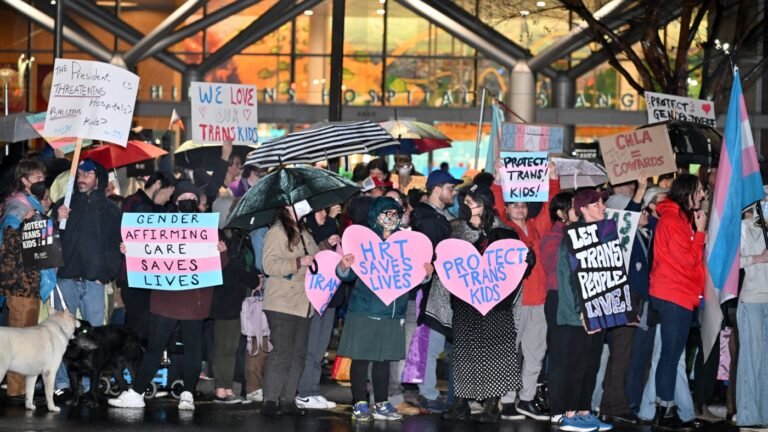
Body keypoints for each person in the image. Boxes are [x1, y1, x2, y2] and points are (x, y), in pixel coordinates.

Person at [109, 181, 225, 410]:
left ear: (198, 202)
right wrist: (131, 251)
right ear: (176, 202)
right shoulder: (162, 226)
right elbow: (147, 254)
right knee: (155, 347)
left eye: (192, 198)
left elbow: (220, 266)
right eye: (183, 198)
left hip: (194, 301)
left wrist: (222, 252)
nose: (187, 201)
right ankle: (138, 393)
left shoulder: (209, 230)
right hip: (166, 299)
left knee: (193, 348)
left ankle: (187, 394)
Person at [336, 197, 434, 422]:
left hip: (393, 312)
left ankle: (381, 402)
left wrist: (425, 274)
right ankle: (359, 402)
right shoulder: (364, 241)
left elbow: (413, 276)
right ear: (375, 215)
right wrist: (343, 266)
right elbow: (348, 275)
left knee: (384, 360)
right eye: (386, 213)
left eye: (395, 213)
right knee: (361, 358)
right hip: (365, 310)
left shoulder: (406, 244)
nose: (391, 218)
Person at [441, 184, 531, 424]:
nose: (466, 205)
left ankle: (492, 405)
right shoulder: (456, 232)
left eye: (471, 202)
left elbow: (515, 269)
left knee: (495, 353)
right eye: (465, 201)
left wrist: (527, 261)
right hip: (465, 303)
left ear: (484, 205)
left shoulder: (504, 233)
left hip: (496, 304)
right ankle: (461, 403)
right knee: (464, 354)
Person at [494, 161, 559, 421]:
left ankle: (527, 399)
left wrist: (553, 178)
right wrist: (498, 180)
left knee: (536, 352)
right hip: (514, 300)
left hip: (539, 300)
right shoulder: (503, 229)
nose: (520, 208)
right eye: (514, 204)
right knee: (510, 351)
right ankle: (507, 400)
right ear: (507, 208)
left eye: (523, 204)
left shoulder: (536, 226)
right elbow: (495, 206)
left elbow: (549, 207)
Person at [54, 158, 123, 401]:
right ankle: (62, 383)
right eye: (80, 174)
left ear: (98, 179)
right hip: (66, 279)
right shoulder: (64, 204)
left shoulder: (111, 210)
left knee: (94, 338)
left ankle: (87, 384)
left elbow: (117, 245)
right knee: (60, 335)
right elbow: (47, 239)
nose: (82, 178)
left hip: (94, 283)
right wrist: (56, 219)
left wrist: (105, 275)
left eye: (88, 174)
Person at [550, 189, 613, 432]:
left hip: (598, 311)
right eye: (596, 204)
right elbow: (572, 278)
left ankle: (584, 411)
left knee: (591, 364)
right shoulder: (574, 235)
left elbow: (609, 274)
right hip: (579, 314)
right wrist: (582, 310)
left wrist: (618, 306)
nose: (602, 207)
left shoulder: (603, 233)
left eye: (602, 203)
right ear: (583, 209)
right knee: (575, 364)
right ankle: (569, 413)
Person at [649, 174, 707, 430]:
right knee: (670, 357)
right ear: (687, 193)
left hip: (677, 293)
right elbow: (688, 260)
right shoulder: (672, 221)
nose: (703, 195)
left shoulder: (678, 219)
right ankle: (664, 411)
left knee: (670, 356)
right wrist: (700, 234)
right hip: (673, 294)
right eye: (699, 190)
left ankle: (666, 409)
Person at [0, 159, 55, 405]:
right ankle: (16, 390)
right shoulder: (17, 208)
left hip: (29, 282)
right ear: (24, 180)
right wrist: (24, 223)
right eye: (37, 178)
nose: (42, 181)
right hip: (20, 283)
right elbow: (9, 244)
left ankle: (20, 388)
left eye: (43, 177)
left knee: (24, 338)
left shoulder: (31, 205)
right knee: (19, 340)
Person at [409, 170, 462, 414]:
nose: (454, 193)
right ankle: (428, 393)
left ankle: (432, 392)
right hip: (432, 288)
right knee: (431, 343)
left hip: (442, 288)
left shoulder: (441, 216)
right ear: (437, 189)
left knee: (436, 343)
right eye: (450, 188)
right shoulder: (428, 218)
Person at [260, 204, 319, 417]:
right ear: (287, 205)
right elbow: (269, 265)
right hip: (282, 301)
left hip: (303, 302)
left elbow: (316, 259)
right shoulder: (277, 231)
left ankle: (288, 399)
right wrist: (298, 262)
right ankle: (270, 400)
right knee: (282, 352)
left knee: (298, 354)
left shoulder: (305, 232)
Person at [119, 171, 176, 341]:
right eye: (168, 193)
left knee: (145, 324)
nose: (168, 199)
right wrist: (157, 207)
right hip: (134, 277)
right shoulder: (135, 203)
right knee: (138, 324)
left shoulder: (150, 205)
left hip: (148, 276)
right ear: (158, 185)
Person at [295, 206, 342, 410]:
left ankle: (312, 389)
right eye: (321, 211)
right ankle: (305, 392)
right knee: (311, 347)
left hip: (329, 297)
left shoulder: (332, 229)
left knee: (320, 348)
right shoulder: (306, 233)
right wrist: (328, 235)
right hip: (314, 297)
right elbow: (312, 257)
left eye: (326, 211)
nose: (324, 214)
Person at [735, 202, 768, 427]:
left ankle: (764, 415)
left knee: (765, 363)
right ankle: (748, 416)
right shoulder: (744, 227)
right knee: (751, 360)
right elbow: (732, 262)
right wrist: (759, 258)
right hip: (752, 299)